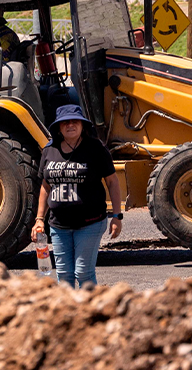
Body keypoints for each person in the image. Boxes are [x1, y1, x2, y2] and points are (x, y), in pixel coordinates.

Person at [30, 105, 123, 288]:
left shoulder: (95, 148)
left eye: (74, 121)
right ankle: (69, 314)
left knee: (83, 272)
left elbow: (113, 182)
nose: (70, 125)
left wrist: (117, 216)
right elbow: (45, 186)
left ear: (82, 125)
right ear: (58, 127)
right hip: (58, 225)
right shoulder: (50, 150)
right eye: (65, 122)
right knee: (64, 274)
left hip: (90, 222)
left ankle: (92, 314)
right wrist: (39, 218)